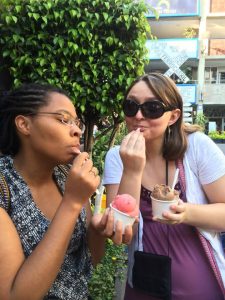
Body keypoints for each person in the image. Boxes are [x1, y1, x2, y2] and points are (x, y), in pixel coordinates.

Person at [0, 83, 133, 300]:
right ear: (24, 124)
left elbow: (92, 259)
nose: (77, 130)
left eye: (76, 123)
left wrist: (98, 230)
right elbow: (15, 295)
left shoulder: (65, 175)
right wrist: (71, 202)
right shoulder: (4, 187)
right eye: (63, 120)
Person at [103, 73, 225, 300]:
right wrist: (131, 169)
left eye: (152, 108)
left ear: (173, 116)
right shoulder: (116, 157)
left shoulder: (196, 147)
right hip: (143, 286)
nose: (138, 115)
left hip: (202, 287)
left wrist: (186, 213)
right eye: (130, 106)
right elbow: (123, 233)